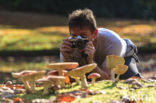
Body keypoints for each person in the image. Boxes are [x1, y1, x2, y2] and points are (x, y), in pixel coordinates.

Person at [60, 8, 141, 80]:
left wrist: (90, 61)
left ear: (94, 34)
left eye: (83, 36)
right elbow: (69, 79)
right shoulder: (69, 45)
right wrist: (66, 58)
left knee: (132, 80)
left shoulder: (113, 43)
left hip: (122, 56)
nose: (79, 40)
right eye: (74, 36)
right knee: (87, 79)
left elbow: (107, 78)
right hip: (94, 63)